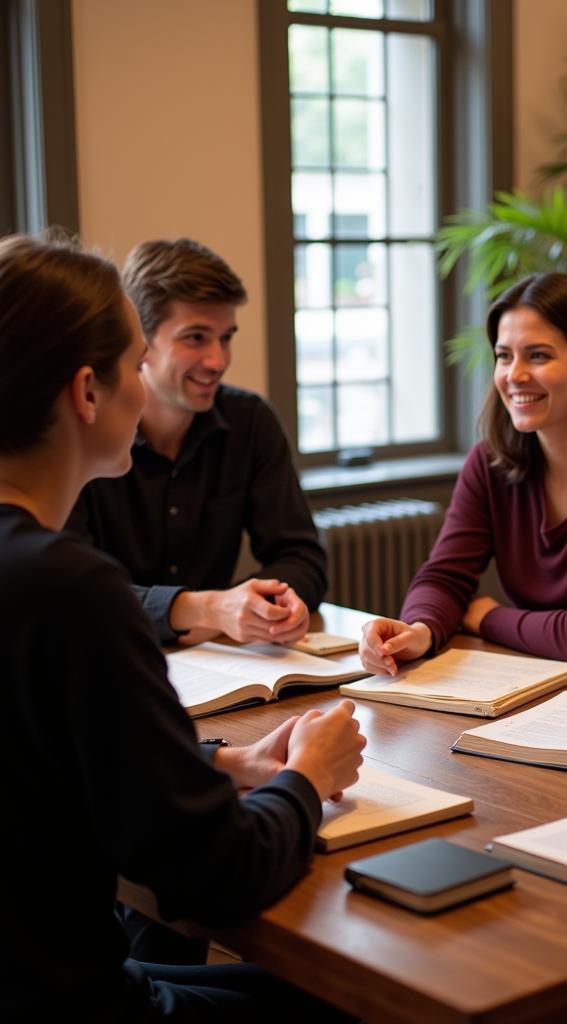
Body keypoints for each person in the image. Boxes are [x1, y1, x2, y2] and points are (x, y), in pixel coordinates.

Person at [0, 233, 365, 1019]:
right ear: (85, 393)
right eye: (137, 363)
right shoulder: (70, 589)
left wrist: (217, 761)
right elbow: (217, 873)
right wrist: (308, 777)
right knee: (378, 996)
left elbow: (44, 750)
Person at [359, 271, 567, 669]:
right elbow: (445, 577)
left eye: (538, 355)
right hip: (531, 678)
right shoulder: (489, 462)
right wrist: (420, 630)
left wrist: (483, 616)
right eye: (504, 356)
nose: (514, 375)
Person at [67, 238, 327, 647]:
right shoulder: (86, 433)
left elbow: (303, 558)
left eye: (226, 337)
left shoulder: (251, 421)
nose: (218, 360)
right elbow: (73, 594)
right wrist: (204, 609)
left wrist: (262, 606)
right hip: (106, 658)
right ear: (141, 339)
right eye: (196, 338)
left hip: (219, 666)